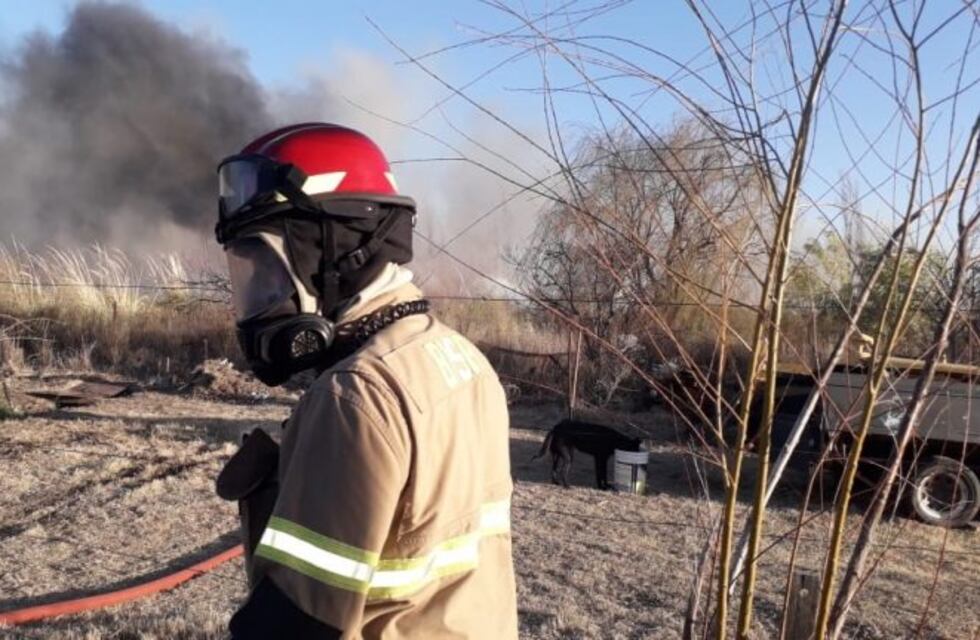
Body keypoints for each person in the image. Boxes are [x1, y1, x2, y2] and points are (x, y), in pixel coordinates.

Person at [212, 123, 518, 639]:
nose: (261, 292)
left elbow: (297, 624)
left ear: (331, 251)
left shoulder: (355, 397)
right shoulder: (460, 357)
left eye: (268, 266)